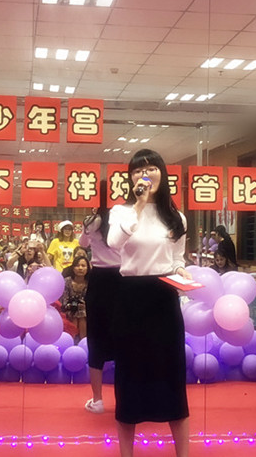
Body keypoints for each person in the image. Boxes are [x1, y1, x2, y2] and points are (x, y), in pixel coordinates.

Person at [108, 148, 190, 457]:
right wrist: (139, 206)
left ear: (162, 173)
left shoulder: (177, 217)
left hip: (164, 299)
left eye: (151, 168)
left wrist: (181, 271)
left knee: (171, 376)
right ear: (131, 178)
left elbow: (177, 258)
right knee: (129, 378)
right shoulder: (121, 212)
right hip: (131, 298)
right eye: (138, 170)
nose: (145, 174)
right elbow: (114, 243)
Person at [80, 180, 122, 415]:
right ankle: (126, 398)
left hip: (99, 280)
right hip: (122, 279)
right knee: (124, 337)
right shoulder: (123, 220)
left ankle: (98, 400)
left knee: (96, 337)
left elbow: (82, 243)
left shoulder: (92, 221)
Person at [60, 255, 90, 342]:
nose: (80, 268)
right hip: (68, 310)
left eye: (83, 266)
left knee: (81, 313)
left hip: (86, 311)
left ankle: (82, 341)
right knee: (77, 314)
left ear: (87, 268)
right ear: (73, 268)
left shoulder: (90, 283)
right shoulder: (66, 281)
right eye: (77, 265)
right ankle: (73, 341)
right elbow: (64, 301)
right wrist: (72, 305)